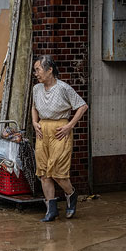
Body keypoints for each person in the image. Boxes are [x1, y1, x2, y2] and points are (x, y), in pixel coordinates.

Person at [31, 54, 88, 222]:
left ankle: (71, 194)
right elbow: (34, 107)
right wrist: (34, 123)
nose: (36, 73)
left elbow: (82, 106)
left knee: (57, 172)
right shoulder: (36, 89)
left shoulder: (63, 88)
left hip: (59, 130)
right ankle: (51, 210)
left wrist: (69, 126)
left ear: (49, 70)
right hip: (42, 130)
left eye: (38, 70)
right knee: (44, 173)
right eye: (35, 70)